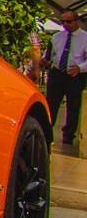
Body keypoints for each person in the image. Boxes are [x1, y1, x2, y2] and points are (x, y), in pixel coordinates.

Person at [44, 10, 87, 150]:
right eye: (63, 21)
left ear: (76, 21)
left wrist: (80, 68)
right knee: (51, 104)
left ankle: (68, 135)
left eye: (68, 21)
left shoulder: (85, 38)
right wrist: (45, 62)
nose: (65, 24)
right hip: (57, 74)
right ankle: (47, 133)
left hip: (75, 76)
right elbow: (49, 55)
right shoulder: (56, 37)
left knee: (73, 107)